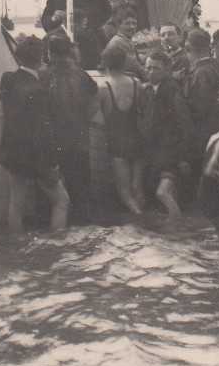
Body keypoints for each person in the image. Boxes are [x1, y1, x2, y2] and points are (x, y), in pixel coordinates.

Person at [0, 36, 70, 234]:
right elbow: (44, 133)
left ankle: (18, 245)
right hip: (34, 156)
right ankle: (57, 245)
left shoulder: (7, 79)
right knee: (62, 200)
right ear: (42, 59)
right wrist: (53, 164)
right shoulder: (38, 91)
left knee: (16, 202)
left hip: (11, 152)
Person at [41, 35, 99, 224]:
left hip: (55, 141)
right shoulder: (81, 74)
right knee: (81, 189)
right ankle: (84, 229)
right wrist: (85, 119)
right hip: (80, 138)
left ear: (49, 53)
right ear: (69, 51)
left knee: (56, 193)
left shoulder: (45, 76)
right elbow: (95, 100)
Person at [142, 50, 194, 218]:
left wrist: (183, 157)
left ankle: (178, 227)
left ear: (166, 69)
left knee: (162, 194)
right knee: (163, 196)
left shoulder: (171, 89)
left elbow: (185, 122)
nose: (151, 72)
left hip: (171, 152)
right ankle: (174, 231)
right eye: (148, 68)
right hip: (160, 152)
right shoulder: (155, 88)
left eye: (156, 68)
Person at [98, 42, 144, 215]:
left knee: (125, 193)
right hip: (136, 138)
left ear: (105, 63)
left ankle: (139, 223)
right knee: (138, 189)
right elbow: (141, 109)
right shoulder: (136, 82)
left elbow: (92, 115)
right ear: (124, 63)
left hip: (117, 143)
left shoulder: (102, 87)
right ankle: (149, 227)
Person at [183, 28, 219, 167]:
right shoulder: (216, 65)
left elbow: (200, 110)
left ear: (187, 45)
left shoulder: (200, 73)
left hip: (203, 141)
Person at [105, 9, 147, 80]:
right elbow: (135, 67)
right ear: (118, 26)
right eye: (127, 23)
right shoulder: (119, 42)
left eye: (134, 23)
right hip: (123, 82)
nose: (132, 27)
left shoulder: (124, 40)